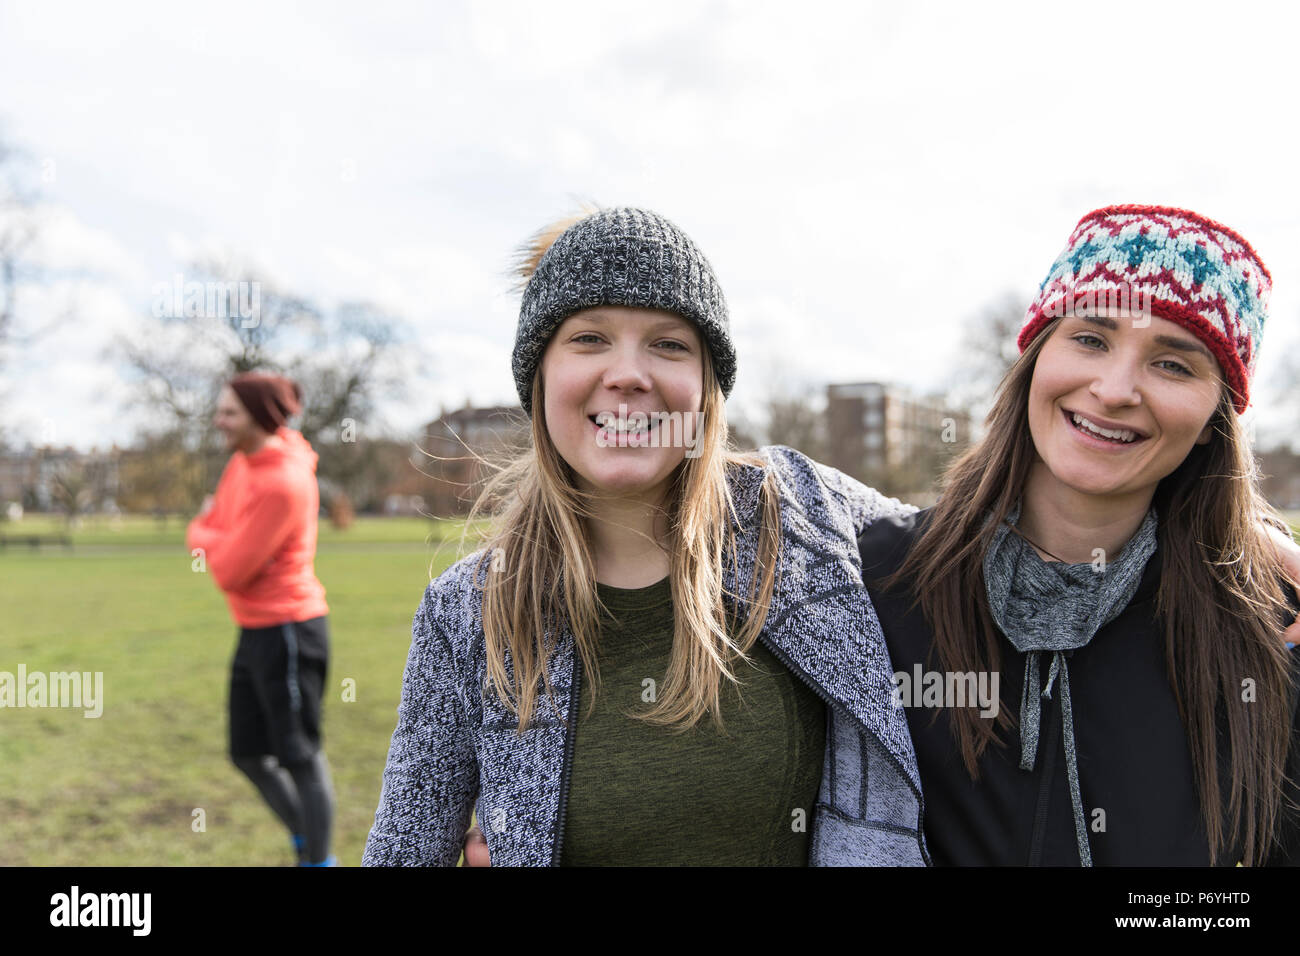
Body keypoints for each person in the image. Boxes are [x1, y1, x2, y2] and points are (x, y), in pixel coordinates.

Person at [361, 207, 930, 866]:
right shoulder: (466, 614)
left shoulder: (809, 522)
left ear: (706, 388)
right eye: (589, 338)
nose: (628, 373)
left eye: (668, 343)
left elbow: (993, 547)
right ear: (539, 374)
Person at [860, 204, 1300, 865]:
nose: (1115, 389)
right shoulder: (875, 578)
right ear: (1037, 357)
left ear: (1217, 416)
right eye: (1091, 339)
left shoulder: (1265, 636)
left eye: (1174, 365)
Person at [187, 372, 336, 867]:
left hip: (290, 630)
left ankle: (319, 860)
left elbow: (227, 566)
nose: (218, 420)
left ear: (258, 416)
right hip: (253, 630)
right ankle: (304, 840)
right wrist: (212, 533)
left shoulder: (283, 483)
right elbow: (215, 533)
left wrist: (205, 533)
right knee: (247, 754)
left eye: (229, 412)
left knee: (300, 756)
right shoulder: (243, 462)